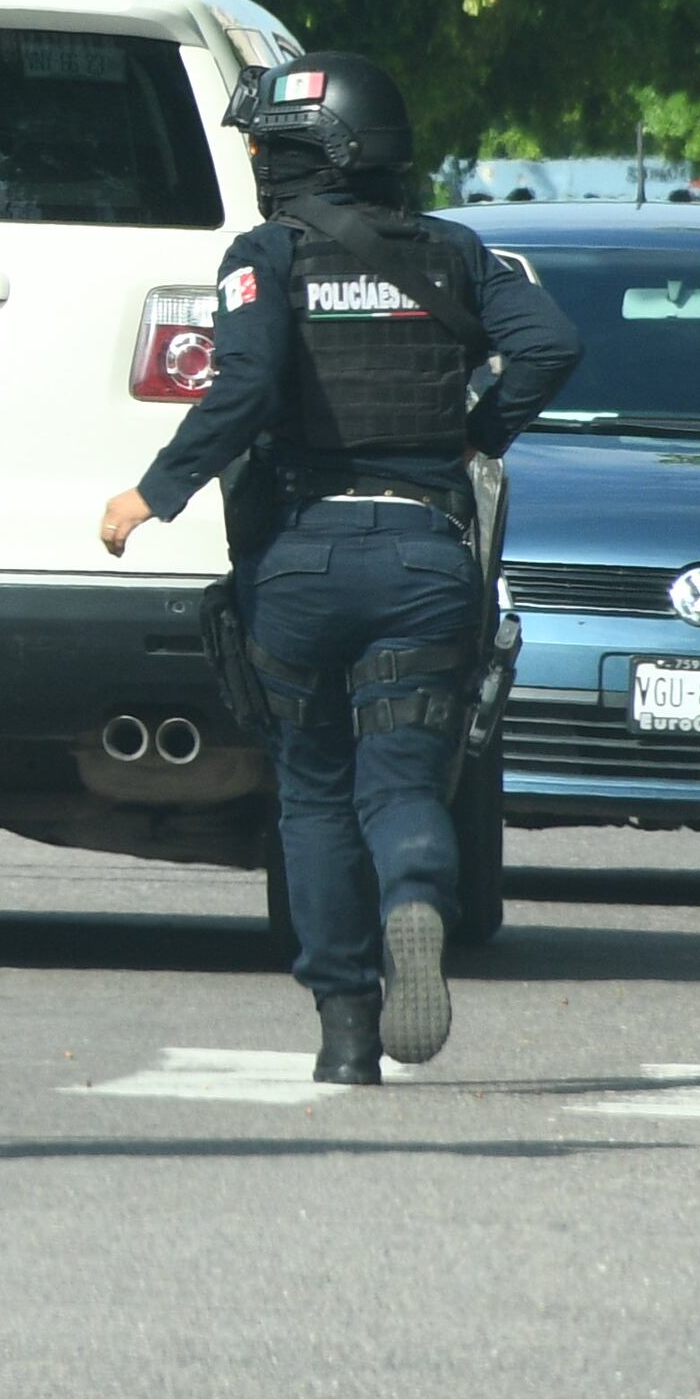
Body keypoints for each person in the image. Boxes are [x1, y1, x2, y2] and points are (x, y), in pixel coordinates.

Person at [97, 55, 578, 1084]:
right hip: (420, 555)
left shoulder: (263, 255)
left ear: (317, 155)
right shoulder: (454, 254)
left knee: (311, 790)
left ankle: (345, 1033)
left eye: (269, 145)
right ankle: (414, 901)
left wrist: (152, 493)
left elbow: (248, 383)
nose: (260, 162)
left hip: (302, 558)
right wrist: (474, 435)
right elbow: (548, 343)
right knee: (403, 780)